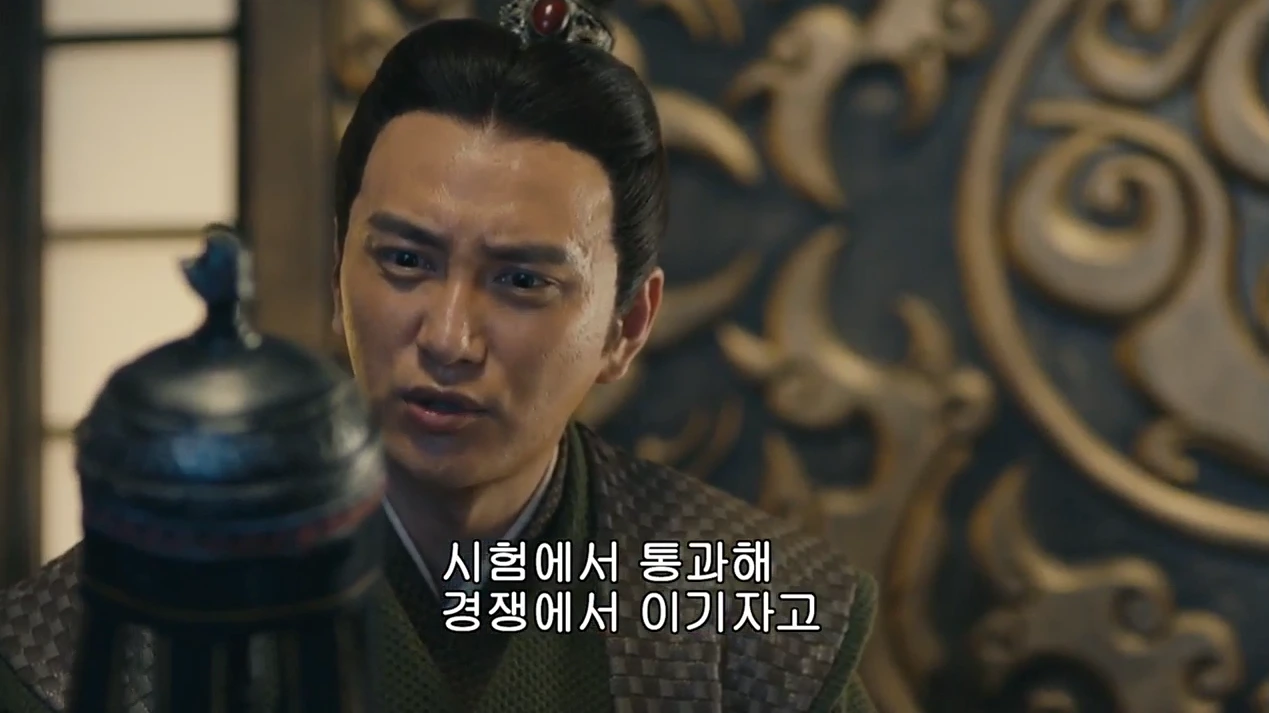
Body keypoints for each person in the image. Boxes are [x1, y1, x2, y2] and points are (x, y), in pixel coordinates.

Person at [0, 0, 876, 710]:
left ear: (626, 324)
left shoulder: (748, 616)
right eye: (405, 261)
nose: (449, 338)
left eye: (522, 280)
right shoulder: (110, 622)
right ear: (339, 268)